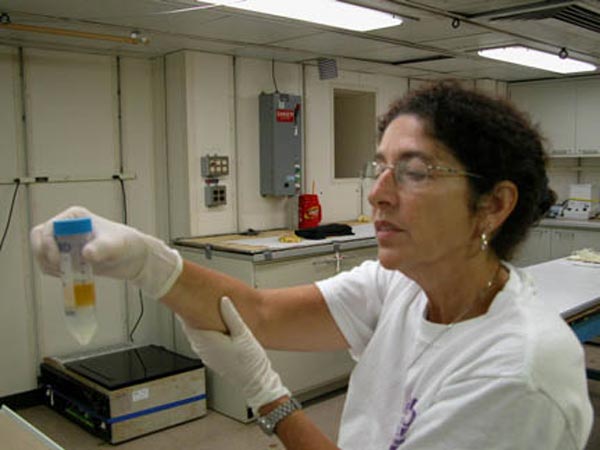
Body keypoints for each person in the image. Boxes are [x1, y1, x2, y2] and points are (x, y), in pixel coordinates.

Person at [31, 80, 593, 449]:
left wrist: (269, 397)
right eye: (381, 167)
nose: (378, 194)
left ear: (493, 204)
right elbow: (258, 312)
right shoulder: (400, 285)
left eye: (415, 171)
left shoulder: (518, 375)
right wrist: (142, 261)